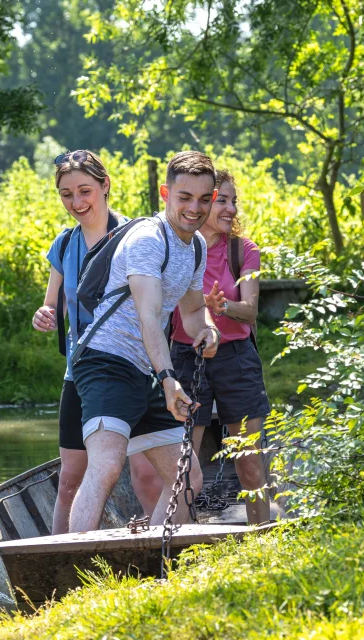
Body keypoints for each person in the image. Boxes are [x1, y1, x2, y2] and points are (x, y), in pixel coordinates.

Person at [68, 151, 221, 533]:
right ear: (165, 193)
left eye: (204, 199)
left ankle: (154, 563)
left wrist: (208, 329)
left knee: (187, 478)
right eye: (184, 197)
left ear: (213, 197)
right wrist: (169, 378)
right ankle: (72, 573)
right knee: (106, 465)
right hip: (105, 359)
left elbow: (189, 313)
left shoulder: (196, 247)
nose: (194, 208)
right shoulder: (149, 239)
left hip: (145, 368)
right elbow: (149, 316)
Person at [32, 149, 155, 534]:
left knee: (147, 476)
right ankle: (56, 559)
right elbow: (51, 304)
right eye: (66, 194)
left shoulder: (135, 238)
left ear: (105, 186)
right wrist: (44, 315)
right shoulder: (65, 245)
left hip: (133, 368)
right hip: (81, 373)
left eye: (85, 191)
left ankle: (164, 555)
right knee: (70, 478)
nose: (76, 203)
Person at [170, 168, 272, 525]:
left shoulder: (243, 251)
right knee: (186, 462)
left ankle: (263, 540)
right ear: (203, 204)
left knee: (249, 463)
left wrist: (221, 306)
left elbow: (251, 310)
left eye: (233, 201)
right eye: (221, 201)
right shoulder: (178, 246)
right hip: (186, 358)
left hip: (236, 360)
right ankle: (180, 543)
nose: (230, 209)